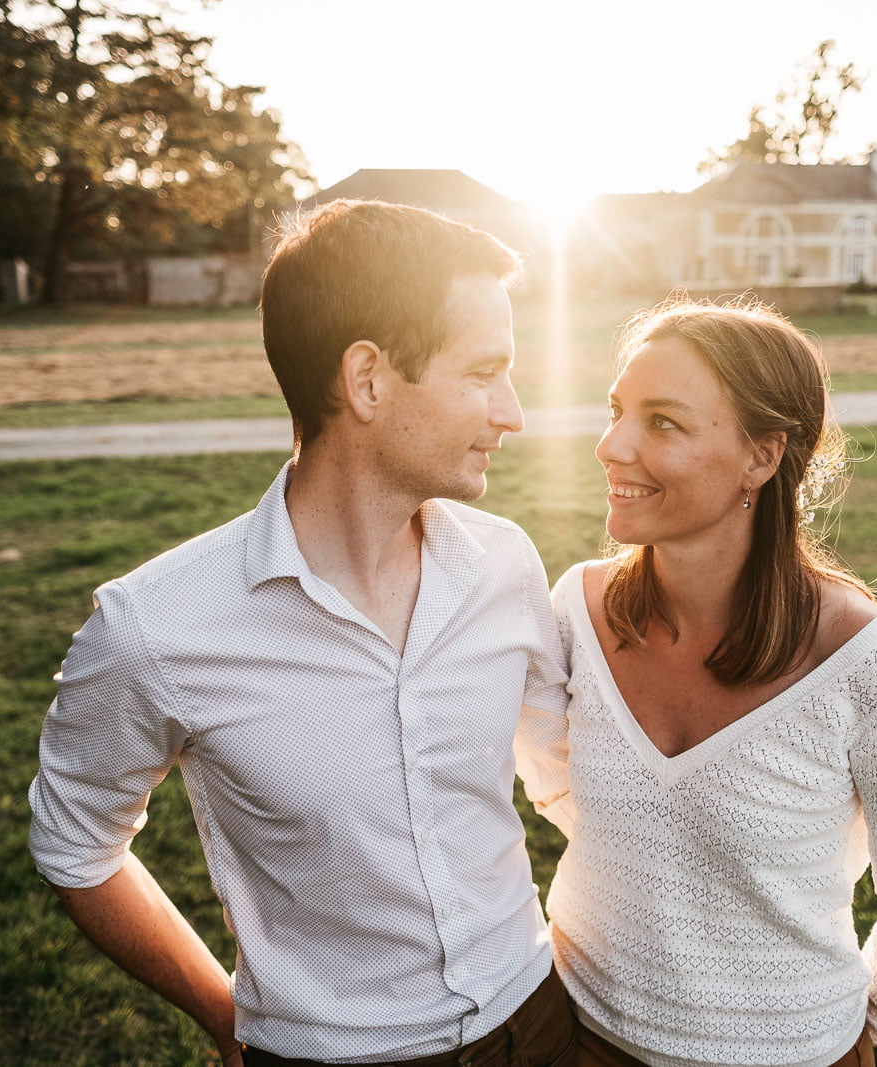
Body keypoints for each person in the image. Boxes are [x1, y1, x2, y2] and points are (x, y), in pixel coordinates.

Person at [28, 200, 576, 1067]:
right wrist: (221, 1011)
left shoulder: (505, 564)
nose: (512, 412)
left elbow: (563, 779)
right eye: (483, 372)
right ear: (367, 380)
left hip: (542, 1020)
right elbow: (73, 846)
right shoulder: (153, 630)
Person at [517, 297, 877, 1067]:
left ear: (762, 457)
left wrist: (840, 1033)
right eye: (617, 412)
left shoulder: (869, 662)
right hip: (579, 1033)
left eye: (662, 422)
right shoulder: (576, 606)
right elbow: (551, 775)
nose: (611, 445)